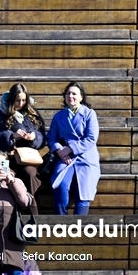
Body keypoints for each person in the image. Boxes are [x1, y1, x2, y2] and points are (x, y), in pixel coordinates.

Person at [0, 83, 46, 209]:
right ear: (11, 99)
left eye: (24, 100)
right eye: (18, 100)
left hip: (26, 159)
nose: (21, 103)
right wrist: (11, 136)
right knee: (5, 175)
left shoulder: (33, 114)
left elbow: (43, 137)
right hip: (6, 158)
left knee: (30, 174)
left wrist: (34, 138)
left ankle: (31, 212)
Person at [47, 82, 100, 215]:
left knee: (83, 193)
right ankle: (61, 222)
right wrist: (60, 151)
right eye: (68, 93)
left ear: (81, 97)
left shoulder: (89, 114)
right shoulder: (58, 116)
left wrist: (70, 148)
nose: (70, 96)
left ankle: (79, 225)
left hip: (86, 158)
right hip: (65, 159)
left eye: (74, 94)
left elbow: (91, 139)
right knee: (60, 186)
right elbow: (51, 138)